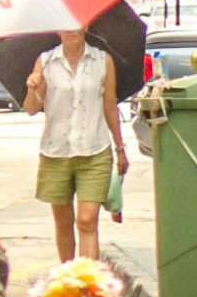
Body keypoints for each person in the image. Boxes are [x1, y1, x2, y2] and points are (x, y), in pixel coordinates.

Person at [22, 21, 125, 265]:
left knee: (87, 221)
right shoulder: (46, 61)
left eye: (76, 24)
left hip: (95, 151)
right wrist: (34, 88)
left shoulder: (102, 61)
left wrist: (120, 148)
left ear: (86, 25)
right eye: (64, 25)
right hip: (55, 153)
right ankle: (69, 280)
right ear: (56, 29)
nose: (71, 30)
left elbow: (109, 105)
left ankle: (88, 287)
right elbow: (30, 108)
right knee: (64, 222)